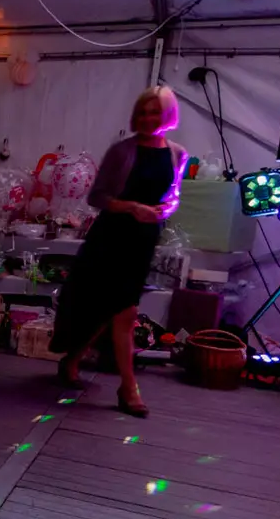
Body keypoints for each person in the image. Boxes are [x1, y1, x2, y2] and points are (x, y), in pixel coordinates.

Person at [50, 85, 189, 418]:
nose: (146, 117)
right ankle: (128, 389)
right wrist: (131, 208)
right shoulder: (121, 151)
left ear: (167, 115)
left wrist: (163, 210)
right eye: (142, 111)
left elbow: (174, 196)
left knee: (114, 309)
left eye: (154, 111)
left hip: (144, 239)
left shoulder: (177, 154)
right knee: (119, 310)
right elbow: (96, 197)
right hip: (111, 236)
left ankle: (72, 359)